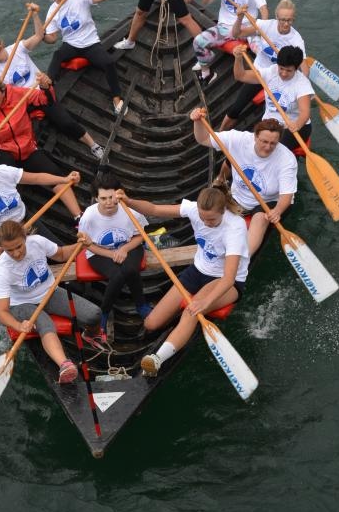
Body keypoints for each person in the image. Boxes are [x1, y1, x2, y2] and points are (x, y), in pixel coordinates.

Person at [117, 187, 249, 376]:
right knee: (151, 324)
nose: (206, 223)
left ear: (223, 212)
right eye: (203, 219)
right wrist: (129, 202)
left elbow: (228, 278)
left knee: (192, 311)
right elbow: (153, 210)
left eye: (211, 219)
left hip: (227, 280)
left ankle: (157, 359)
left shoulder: (235, 227)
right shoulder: (195, 209)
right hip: (197, 272)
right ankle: (180, 329)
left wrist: (205, 302)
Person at [0, 220, 105, 383]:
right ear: (2, 247)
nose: (16, 253)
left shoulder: (37, 242)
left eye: (19, 247)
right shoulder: (1, 270)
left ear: (25, 239)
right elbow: (2, 312)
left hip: (49, 293)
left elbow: (63, 254)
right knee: (45, 322)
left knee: (94, 314)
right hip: (21, 305)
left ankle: (91, 335)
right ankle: (65, 365)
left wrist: (82, 244)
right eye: (9, 250)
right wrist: (18, 326)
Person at [0, 17, 104, 160]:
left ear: (0, 47)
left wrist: (35, 15)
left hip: (40, 93)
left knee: (66, 122)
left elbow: (39, 35)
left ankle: (94, 145)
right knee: (20, 132)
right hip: (22, 101)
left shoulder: (18, 48)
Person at [0, 75, 83, 223]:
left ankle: (79, 217)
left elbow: (44, 99)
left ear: (4, 91)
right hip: (3, 150)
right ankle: (12, 216)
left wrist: (46, 87)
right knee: (2, 182)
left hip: (27, 147)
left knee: (56, 174)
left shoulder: (17, 93)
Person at [191, 110, 298, 255]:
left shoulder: (286, 159)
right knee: (212, 208)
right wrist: (197, 122)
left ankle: (243, 259)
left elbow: (287, 194)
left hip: (268, 202)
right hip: (238, 196)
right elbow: (203, 139)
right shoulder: (238, 139)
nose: (268, 147)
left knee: (261, 218)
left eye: (273, 143)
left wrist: (277, 211)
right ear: (255, 137)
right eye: (264, 141)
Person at [0, 142, 80, 256]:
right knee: (25, 249)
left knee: (58, 251)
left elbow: (36, 178)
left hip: (21, 217)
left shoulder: (3, 171)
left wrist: (64, 179)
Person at [43, 0, 126, 116]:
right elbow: (52, 39)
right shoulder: (52, 11)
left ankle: (116, 98)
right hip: (71, 44)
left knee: (108, 63)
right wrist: (43, 36)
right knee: (57, 56)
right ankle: (47, 90)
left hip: (90, 43)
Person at [78, 172, 152, 337]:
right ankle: (104, 312)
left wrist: (124, 249)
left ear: (119, 194)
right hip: (99, 252)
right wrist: (111, 254)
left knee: (131, 270)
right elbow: (86, 245)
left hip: (129, 246)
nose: (109, 202)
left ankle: (141, 305)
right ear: (96, 198)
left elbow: (140, 235)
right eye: (103, 198)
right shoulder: (89, 217)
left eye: (111, 197)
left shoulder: (129, 210)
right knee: (118, 275)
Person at [220, 0, 308, 129]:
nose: (286, 24)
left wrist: (302, 87)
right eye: (282, 20)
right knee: (236, 108)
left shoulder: (296, 40)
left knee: (272, 119)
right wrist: (239, 18)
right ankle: (220, 135)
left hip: (279, 79)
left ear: (293, 19)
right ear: (276, 17)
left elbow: (304, 69)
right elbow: (237, 34)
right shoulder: (265, 26)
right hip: (259, 73)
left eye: (289, 20)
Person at [192, 0, 268, 86]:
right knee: (198, 41)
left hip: (246, 29)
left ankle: (269, 77)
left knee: (261, 51)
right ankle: (207, 73)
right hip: (225, 28)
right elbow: (205, 3)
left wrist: (262, 26)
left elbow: (263, 9)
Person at [231, 44, 314, 151]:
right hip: (270, 124)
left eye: (288, 71)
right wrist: (238, 59)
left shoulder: (302, 84)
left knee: (270, 151)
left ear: (296, 68)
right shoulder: (271, 71)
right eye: (281, 68)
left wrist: (296, 125)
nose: (283, 73)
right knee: (246, 150)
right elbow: (240, 76)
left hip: (294, 126)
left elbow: (305, 113)